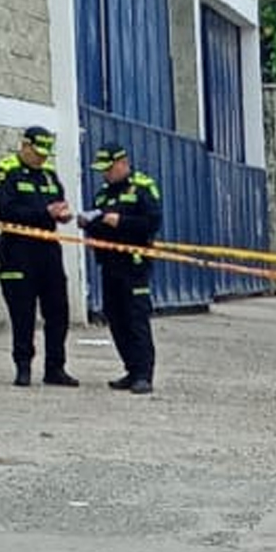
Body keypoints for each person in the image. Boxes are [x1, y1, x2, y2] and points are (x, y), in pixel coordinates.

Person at [0, 126, 79, 388]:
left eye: (45, 154)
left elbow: (58, 203)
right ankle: (23, 366)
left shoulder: (49, 175)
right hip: (18, 249)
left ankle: (55, 367)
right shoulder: (6, 171)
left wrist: (61, 213)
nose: (41, 158)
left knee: (58, 310)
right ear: (25, 145)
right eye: (37, 152)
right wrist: (45, 211)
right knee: (22, 311)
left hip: (48, 249)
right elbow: (7, 211)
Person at [79, 143, 165, 394]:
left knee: (136, 318)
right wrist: (89, 223)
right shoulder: (104, 194)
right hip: (109, 264)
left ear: (122, 163)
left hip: (134, 264)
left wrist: (120, 221)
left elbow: (151, 223)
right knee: (115, 317)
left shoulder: (143, 187)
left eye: (108, 169)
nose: (105, 174)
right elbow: (98, 227)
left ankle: (144, 375)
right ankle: (131, 369)